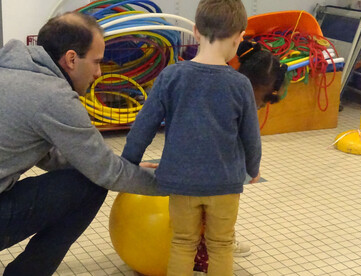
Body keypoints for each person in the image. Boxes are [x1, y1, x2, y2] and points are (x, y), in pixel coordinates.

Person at [0, 12, 162, 276]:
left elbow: (46, 154)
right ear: (72, 59)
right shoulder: (54, 97)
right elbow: (105, 173)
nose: (99, 72)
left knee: (88, 173)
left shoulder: (11, 68)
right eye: (97, 62)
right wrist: (171, 183)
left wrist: (124, 167)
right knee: (91, 185)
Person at [122, 0, 261, 275]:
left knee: (183, 243)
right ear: (239, 37)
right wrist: (252, 169)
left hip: (181, 182)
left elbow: (144, 125)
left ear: (195, 31)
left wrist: (128, 161)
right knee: (221, 245)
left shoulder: (171, 75)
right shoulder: (240, 84)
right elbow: (251, 136)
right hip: (225, 184)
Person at [193, 40, 288, 274]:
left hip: (202, 171)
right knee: (214, 223)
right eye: (263, 99)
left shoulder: (227, 87)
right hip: (220, 177)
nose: (261, 106)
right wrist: (253, 168)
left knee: (207, 220)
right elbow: (251, 141)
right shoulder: (240, 96)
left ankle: (204, 252)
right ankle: (205, 257)